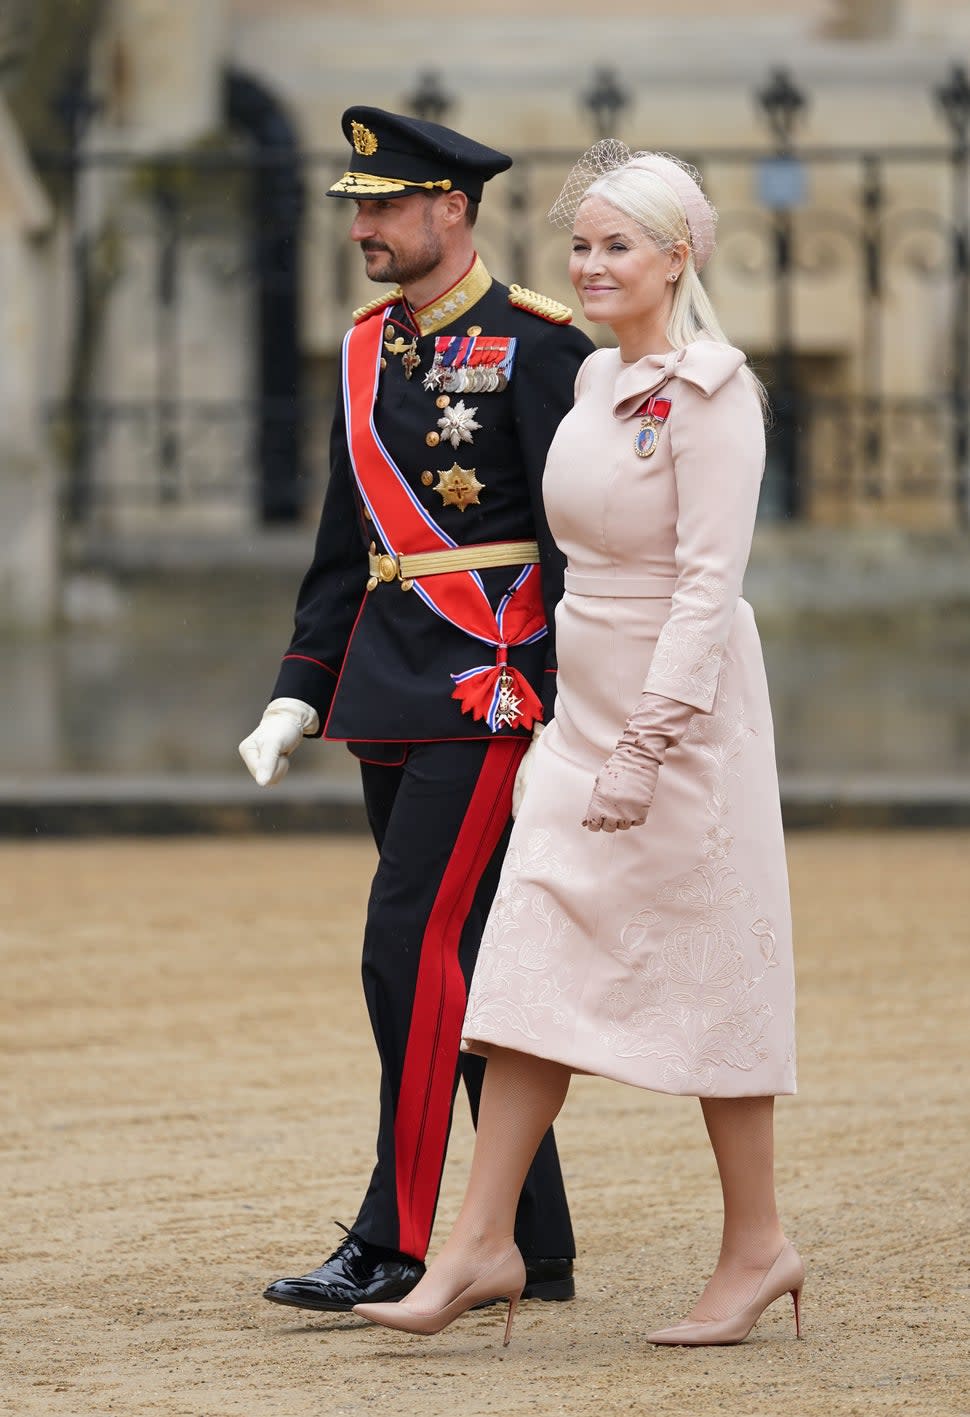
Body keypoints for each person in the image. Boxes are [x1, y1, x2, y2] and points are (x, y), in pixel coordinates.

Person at [352, 142, 803, 1348]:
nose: (591, 265)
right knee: (524, 964)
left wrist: (647, 745)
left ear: (676, 256)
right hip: (577, 707)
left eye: (617, 246)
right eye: (581, 245)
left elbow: (708, 588)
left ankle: (757, 1245)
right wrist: (565, 714)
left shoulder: (715, 394)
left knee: (715, 974)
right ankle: (482, 1241)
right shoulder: (595, 381)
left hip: (680, 718)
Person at [239, 107, 595, 1313]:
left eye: (384, 204)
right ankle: (531, 1235)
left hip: (490, 685)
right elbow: (349, 547)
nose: (362, 225)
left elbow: (573, 543)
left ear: (453, 206)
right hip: (386, 680)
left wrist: (569, 699)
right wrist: (296, 692)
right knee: (474, 949)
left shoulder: (540, 346)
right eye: (355, 205)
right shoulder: (361, 351)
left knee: (408, 947)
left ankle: (397, 1233)